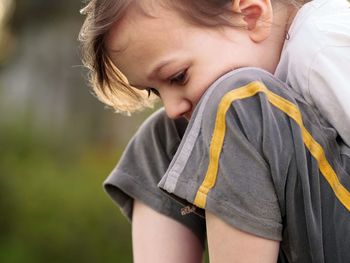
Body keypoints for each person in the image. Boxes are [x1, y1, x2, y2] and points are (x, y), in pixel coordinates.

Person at [78, 0, 350, 262]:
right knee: (165, 135)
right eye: (155, 91)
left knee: (234, 104)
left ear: (251, 16)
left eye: (178, 76)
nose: (172, 107)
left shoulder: (322, 43)